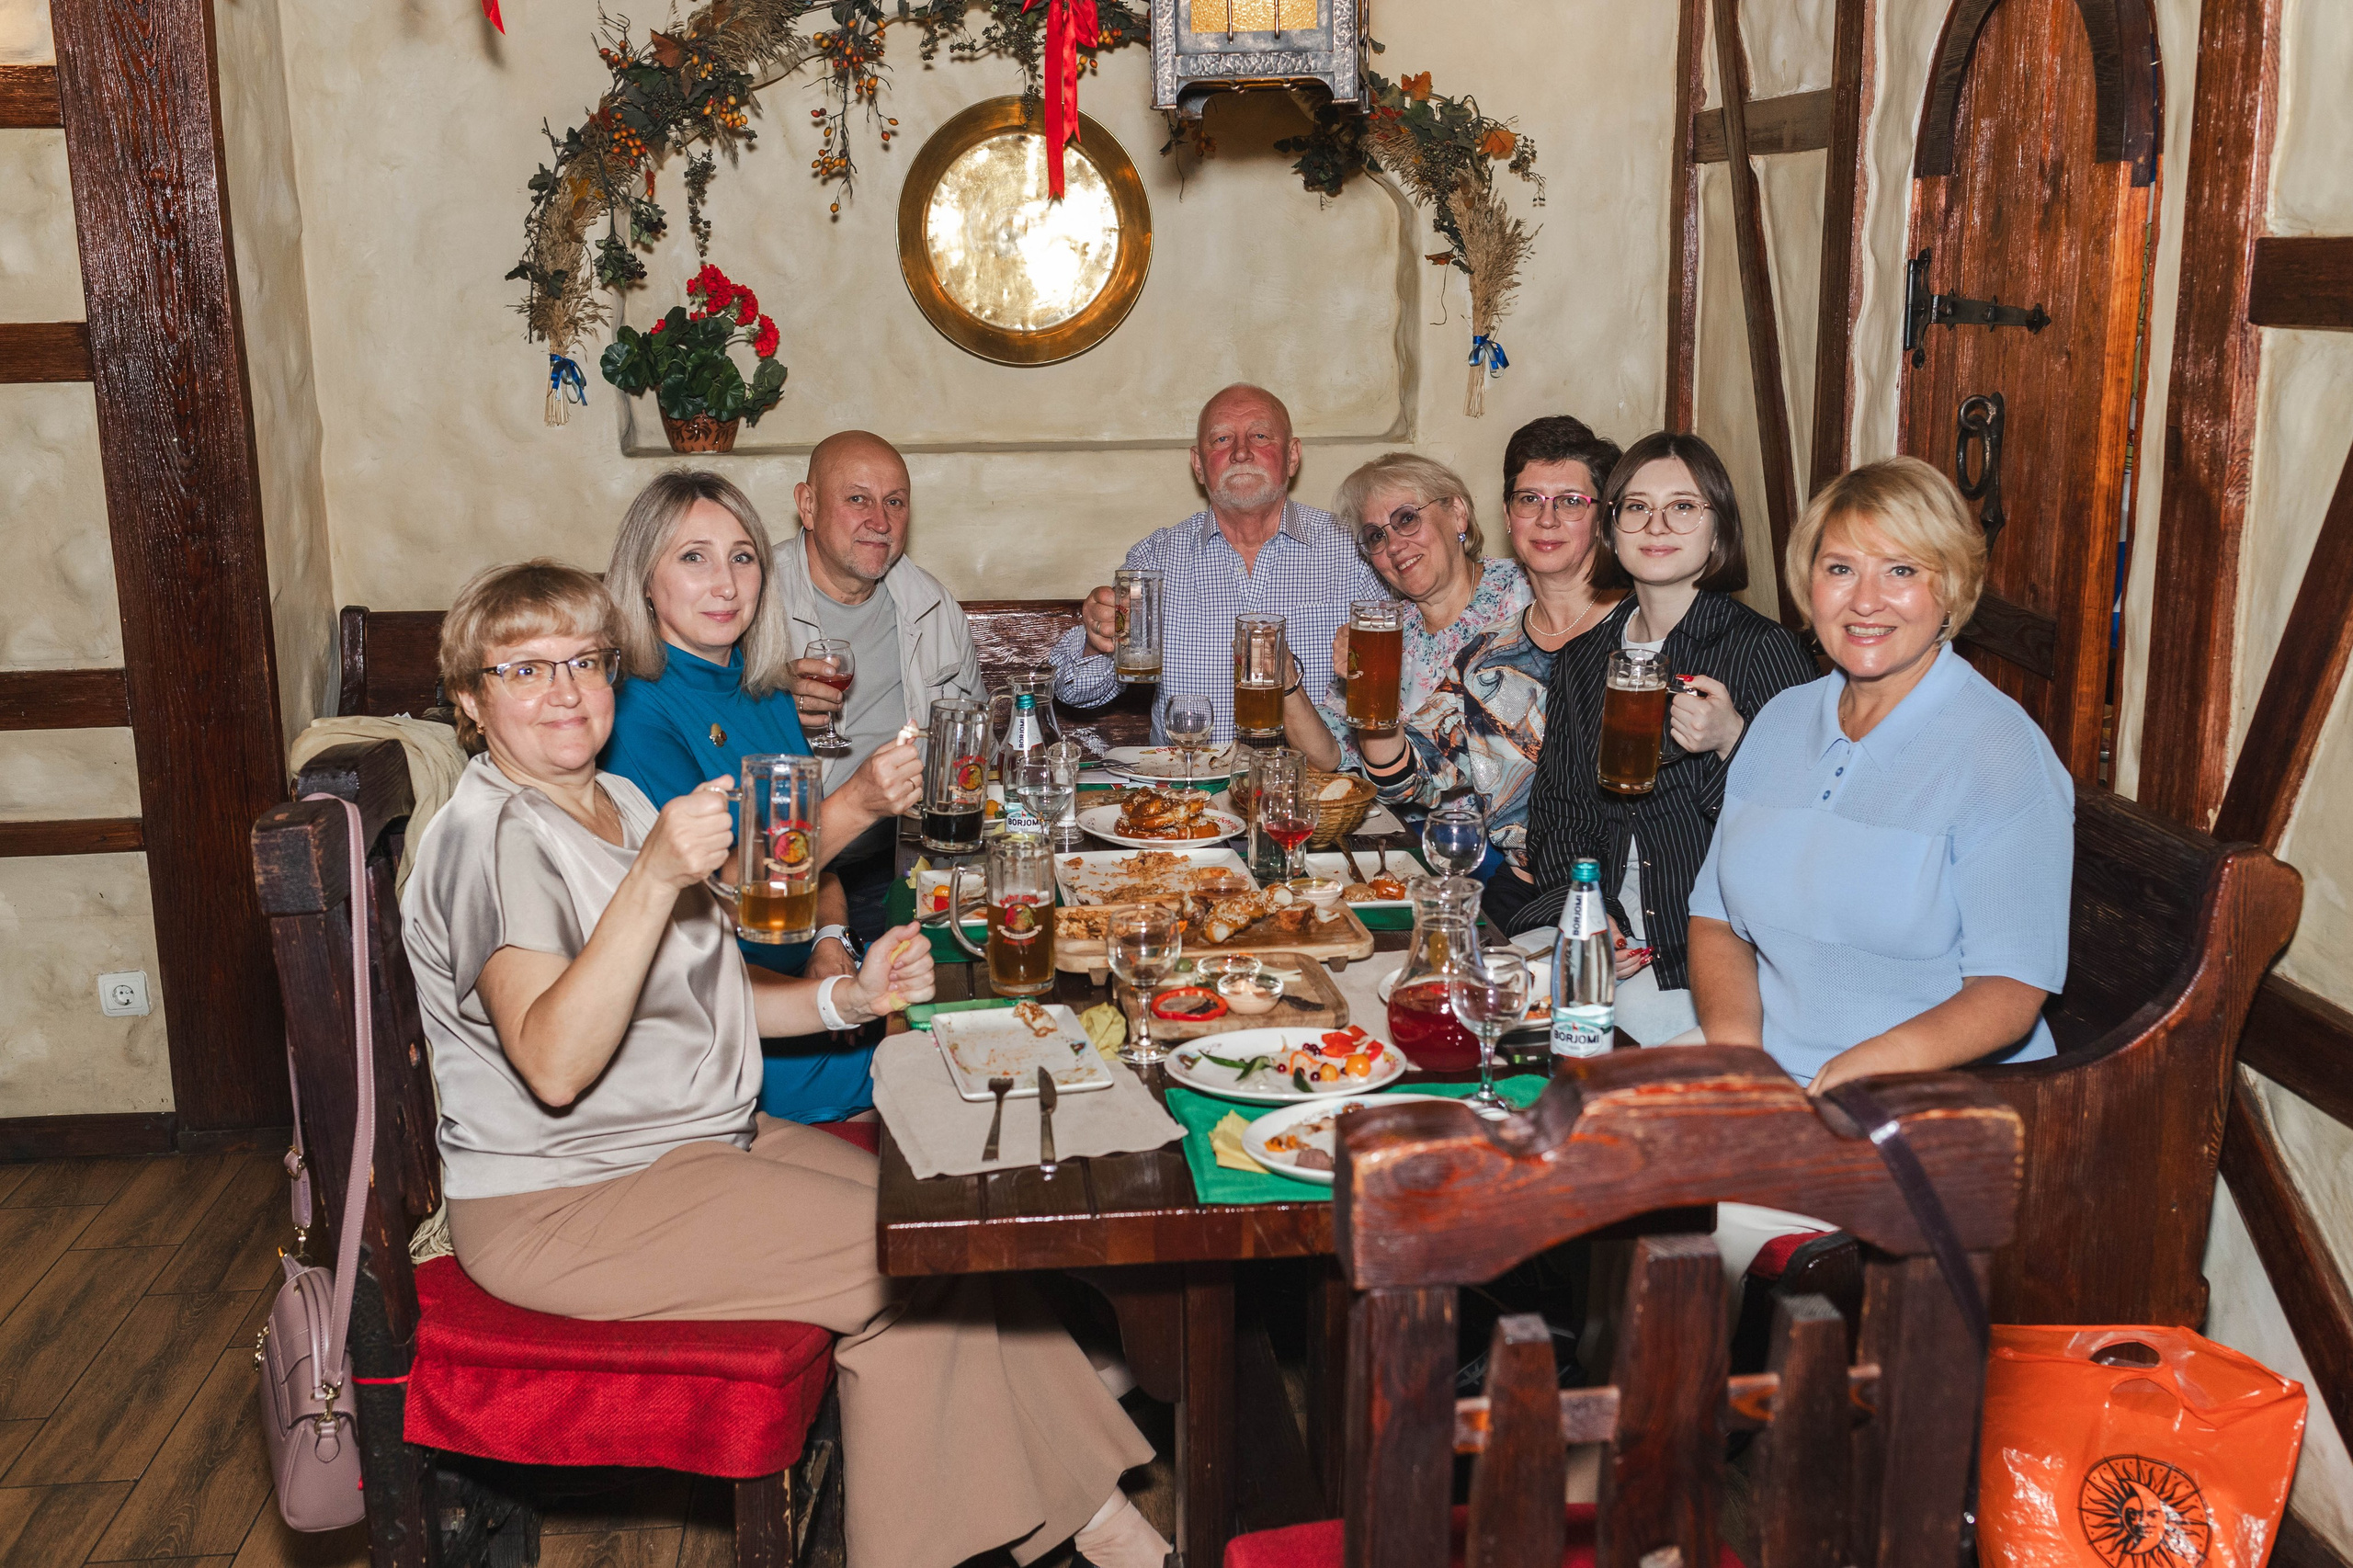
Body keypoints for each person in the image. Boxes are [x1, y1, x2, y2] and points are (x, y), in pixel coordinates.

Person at [403, 561, 1168, 1568]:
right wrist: (654, 876)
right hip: (569, 1196)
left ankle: (1090, 1532)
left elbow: (692, 994)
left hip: (691, 1140)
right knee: (914, 1263)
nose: (564, 690)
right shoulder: (490, 835)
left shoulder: (615, 797)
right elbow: (551, 1060)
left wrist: (841, 999)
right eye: (524, 670)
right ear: (470, 700)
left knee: (944, 1224)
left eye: (584, 660)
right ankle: (1117, 1539)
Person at [1688, 456, 2071, 1091]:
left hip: (1934, 1097)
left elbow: (2011, 989)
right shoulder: (1782, 720)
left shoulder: (2002, 752)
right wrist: (1740, 1062)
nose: (1865, 601)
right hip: (1772, 1076)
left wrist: (1854, 1074)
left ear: (1950, 589)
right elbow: (1716, 919)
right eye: (1840, 569)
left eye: (1901, 570)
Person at [602, 470, 924, 1124]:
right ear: (644, 580)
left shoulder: (765, 689)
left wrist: (829, 939)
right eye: (695, 558)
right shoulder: (633, 713)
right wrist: (858, 802)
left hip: (804, 990)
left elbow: (819, 866)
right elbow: (722, 892)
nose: (726, 584)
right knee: (942, 1065)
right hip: (723, 1021)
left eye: (743, 557)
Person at [1517, 431, 1817, 1043]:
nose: (1657, 525)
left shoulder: (1763, 650)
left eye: (1683, 507)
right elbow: (1557, 815)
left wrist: (1734, 741)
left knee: (1609, 1045)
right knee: (1480, 992)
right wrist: (1591, 912)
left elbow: (1804, 838)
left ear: (1719, 528)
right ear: (1613, 528)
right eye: (1636, 507)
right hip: (1604, 923)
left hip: (1707, 951)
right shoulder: (1584, 658)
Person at [1279, 423, 1624, 932]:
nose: (1394, 543)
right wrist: (1299, 684)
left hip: (1570, 869)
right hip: (1461, 858)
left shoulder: (1533, 595)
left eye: (1406, 519)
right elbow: (1375, 764)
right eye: (1376, 535)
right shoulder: (1418, 639)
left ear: (1459, 513)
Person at [1051, 384, 1386, 744]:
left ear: (1292, 456)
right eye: (1222, 439)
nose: (1241, 452)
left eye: (1260, 435)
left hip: (1316, 790)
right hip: (1188, 791)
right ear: (1198, 464)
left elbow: (1401, 684)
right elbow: (1074, 691)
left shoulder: (1354, 550)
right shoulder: (1156, 559)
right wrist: (1096, 640)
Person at [776, 431, 984, 937]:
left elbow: (975, 749)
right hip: (782, 866)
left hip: (901, 865)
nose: (881, 521)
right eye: (857, 499)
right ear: (807, 505)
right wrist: (771, 699)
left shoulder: (934, 607)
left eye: (895, 502)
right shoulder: (750, 600)